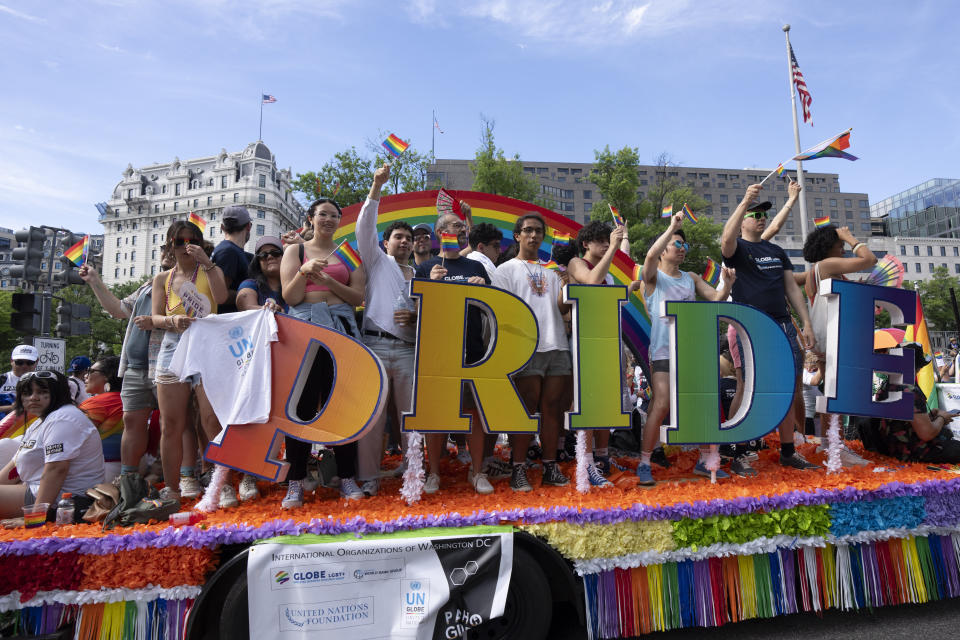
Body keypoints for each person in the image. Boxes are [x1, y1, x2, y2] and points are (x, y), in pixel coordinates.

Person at [632, 213, 736, 485]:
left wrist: (727, 283)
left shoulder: (690, 277)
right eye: (676, 245)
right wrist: (671, 228)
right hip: (664, 352)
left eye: (684, 246)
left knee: (700, 404)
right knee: (662, 402)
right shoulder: (652, 279)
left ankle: (705, 460)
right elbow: (650, 258)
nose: (681, 249)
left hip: (691, 351)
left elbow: (716, 298)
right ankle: (645, 462)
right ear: (664, 248)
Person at [721, 183, 819, 471]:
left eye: (763, 213)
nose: (760, 217)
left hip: (783, 326)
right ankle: (738, 450)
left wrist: (807, 324)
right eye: (754, 213)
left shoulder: (777, 251)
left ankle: (788, 452)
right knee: (748, 388)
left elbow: (791, 289)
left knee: (787, 389)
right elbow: (726, 239)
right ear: (743, 221)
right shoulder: (737, 249)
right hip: (750, 327)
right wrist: (743, 202)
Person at [281, 196, 367, 505]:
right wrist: (304, 272)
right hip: (305, 332)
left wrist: (327, 279)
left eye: (334, 215)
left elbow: (357, 297)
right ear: (311, 218)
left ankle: (346, 476)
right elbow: (290, 297)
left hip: (342, 330)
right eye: (323, 214)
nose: (329, 220)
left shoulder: (349, 254)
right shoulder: (295, 251)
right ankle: (296, 481)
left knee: (342, 403)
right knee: (301, 406)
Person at [414, 211, 494, 494]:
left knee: (474, 412)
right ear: (440, 233)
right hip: (438, 350)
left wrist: (484, 289)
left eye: (462, 226)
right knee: (435, 412)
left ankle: (477, 471)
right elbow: (415, 313)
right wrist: (430, 285)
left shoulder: (475, 267)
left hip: (473, 349)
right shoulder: (425, 269)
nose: (460, 229)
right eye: (454, 225)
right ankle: (433, 473)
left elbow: (494, 309)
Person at [492, 212, 573, 492]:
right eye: (528, 230)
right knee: (526, 410)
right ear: (517, 236)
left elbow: (562, 309)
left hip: (557, 343)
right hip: (525, 347)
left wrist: (566, 286)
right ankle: (519, 468)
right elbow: (501, 311)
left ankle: (550, 465)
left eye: (538, 231)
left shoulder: (552, 269)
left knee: (553, 409)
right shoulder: (505, 270)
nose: (534, 235)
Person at [79, 250, 176, 481]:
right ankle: (128, 479)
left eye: (179, 246)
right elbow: (118, 310)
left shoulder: (185, 285)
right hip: (134, 367)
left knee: (171, 423)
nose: (168, 253)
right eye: (166, 247)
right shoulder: (146, 286)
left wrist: (155, 321)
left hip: (166, 365)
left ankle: (169, 477)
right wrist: (95, 280)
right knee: (131, 421)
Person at [354, 165, 421, 496]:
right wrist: (376, 186)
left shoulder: (421, 274)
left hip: (409, 351)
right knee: (373, 418)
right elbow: (364, 227)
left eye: (409, 239)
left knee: (411, 417)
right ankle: (368, 476)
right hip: (375, 347)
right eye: (399, 237)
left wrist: (417, 318)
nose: (405, 242)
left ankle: (414, 474)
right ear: (385, 242)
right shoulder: (378, 262)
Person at [150, 221, 228, 503]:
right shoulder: (163, 278)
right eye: (180, 240)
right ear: (171, 243)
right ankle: (173, 489)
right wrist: (173, 320)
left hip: (207, 345)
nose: (186, 245)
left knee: (211, 419)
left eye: (192, 239)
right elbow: (155, 317)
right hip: (173, 345)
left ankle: (222, 484)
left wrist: (207, 262)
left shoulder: (211, 270)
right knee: (171, 424)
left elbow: (221, 298)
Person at [802, 224, 877, 466]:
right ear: (828, 246)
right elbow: (869, 259)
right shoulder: (826, 265)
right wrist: (850, 236)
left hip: (826, 334)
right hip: (833, 334)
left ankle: (829, 444)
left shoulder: (816, 270)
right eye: (839, 244)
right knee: (836, 392)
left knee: (830, 391)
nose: (843, 248)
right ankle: (836, 446)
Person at [566, 220, 628, 486]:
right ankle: (586, 461)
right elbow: (591, 282)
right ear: (585, 244)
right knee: (586, 403)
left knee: (606, 401)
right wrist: (615, 246)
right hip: (583, 343)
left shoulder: (610, 275)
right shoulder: (576, 264)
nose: (605, 244)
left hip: (606, 340)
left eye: (608, 239)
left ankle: (602, 457)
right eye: (600, 241)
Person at [0, 371, 104, 519]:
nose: (33, 398)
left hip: (63, 500)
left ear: (58, 393)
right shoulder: (41, 420)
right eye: (27, 393)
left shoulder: (62, 418)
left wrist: (35, 517)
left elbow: (56, 470)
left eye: (42, 392)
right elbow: (14, 466)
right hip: (38, 492)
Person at [858, 343, 960, 463]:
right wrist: (942, 418)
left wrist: (931, 416)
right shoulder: (909, 391)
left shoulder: (886, 386)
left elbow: (903, 422)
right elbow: (927, 433)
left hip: (892, 449)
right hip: (913, 453)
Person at [78, 357, 124, 479]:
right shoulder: (132, 401)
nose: (85, 376)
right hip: (132, 468)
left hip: (98, 471)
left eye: (90, 371)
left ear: (107, 376)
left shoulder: (97, 404)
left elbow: (73, 438)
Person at [212, 205, 253, 314]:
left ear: (222, 227)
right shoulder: (228, 252)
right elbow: (221, 294)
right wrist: (251, 293)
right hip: (227, 323)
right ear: (249, 226)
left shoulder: (228, 250)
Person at [0, 345, 39, 417]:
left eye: (29, 362)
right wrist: (11, 408)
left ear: (37, 361)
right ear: (11, 361)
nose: (24, 366)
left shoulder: (44, 381)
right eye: (19, 362)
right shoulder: (2, 380)